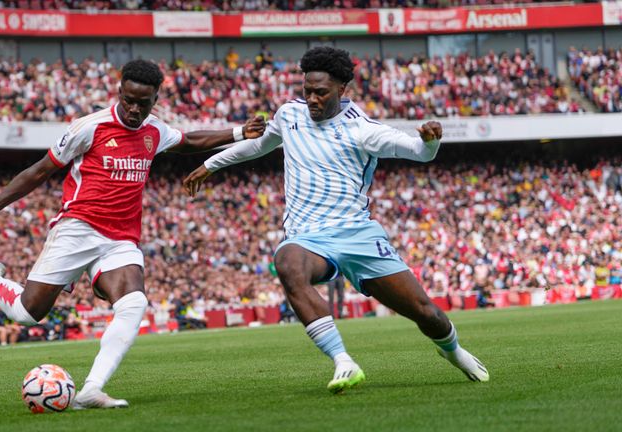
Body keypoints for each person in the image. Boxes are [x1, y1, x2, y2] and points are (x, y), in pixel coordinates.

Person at [0, 59, 266, 409]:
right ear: (118, 91)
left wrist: (237, 133)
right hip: (78, 228)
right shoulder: (90, 127)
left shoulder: (154, 131)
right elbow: (39, 172)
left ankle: (91, 389)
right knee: (27, 313)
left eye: (142, 103)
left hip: (121, 238)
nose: (133, 108)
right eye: (128, 99)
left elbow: (188, 140)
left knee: (134, 302)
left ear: (155, 99)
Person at [183, 47, 489, 393]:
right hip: (308, 237)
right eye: (307, 91)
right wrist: (210, 165)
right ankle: (343, 361)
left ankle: (454, 351)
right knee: (287, 263)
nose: (312, 99)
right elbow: (259, 146)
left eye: (321, 92)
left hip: (357, 234)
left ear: (343, 89)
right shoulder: (289, 115)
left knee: (424, 311)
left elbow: (418, 152)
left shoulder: (363, 130)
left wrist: (430, 141)